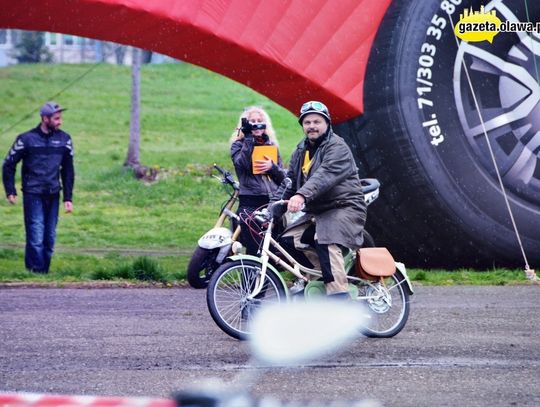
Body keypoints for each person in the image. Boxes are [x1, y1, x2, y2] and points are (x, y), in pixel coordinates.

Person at [273, 101, 367, 299]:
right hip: (319, 210)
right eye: (307, 122)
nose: (312, 126)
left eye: (317, 121)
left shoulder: (337, 147)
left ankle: (339, 296)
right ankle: (321, 278)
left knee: (325, 239)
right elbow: (289, 182)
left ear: (327, 123)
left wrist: (301, 195)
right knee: (288, 241)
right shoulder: (301, 150)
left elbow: (324, 176)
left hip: (345, 206)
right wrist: (271, 210)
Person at [2, 101, 75, 274]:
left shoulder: (65, 139)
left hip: (53, 194)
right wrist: (10, 190)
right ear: (45, 118)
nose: (60, 122)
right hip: (32, 194)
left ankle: (43, 274)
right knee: (36, 235)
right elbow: (8, 165)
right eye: (56, 118)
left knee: (49, 238)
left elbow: (68, 170)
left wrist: (68, 198)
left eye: (60, 118)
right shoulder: (26, 139)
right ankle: (35, 272)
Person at [230, 106, 285, 255]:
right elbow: (242, 164)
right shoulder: (238, 145)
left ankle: (268, 277)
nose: (256, 124)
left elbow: (283, 179)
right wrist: (248, 138)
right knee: (254, 247)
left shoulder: (271, 146)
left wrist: (272, 168)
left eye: (259, 121)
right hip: (250, 201)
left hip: (271, 202)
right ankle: (249, 277)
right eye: (252, 121)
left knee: (271, 248)